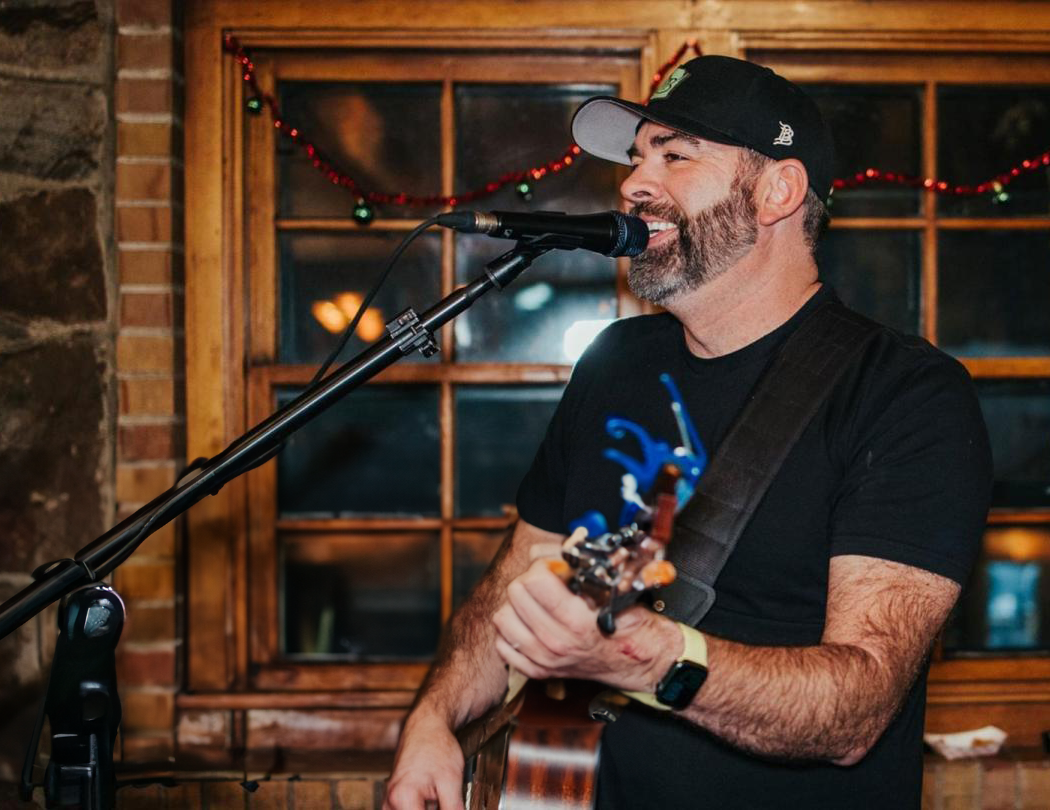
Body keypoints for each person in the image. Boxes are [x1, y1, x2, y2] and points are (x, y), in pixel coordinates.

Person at [384, 55, 992, 809]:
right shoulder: (614, 362)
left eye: (676, 155)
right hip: (560, 790)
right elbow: (524, 579)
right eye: (638, 157)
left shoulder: (903, 394)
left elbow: (858, 708)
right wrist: (433, 719)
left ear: (778, 190)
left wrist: (648, 660)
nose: (636, 182)